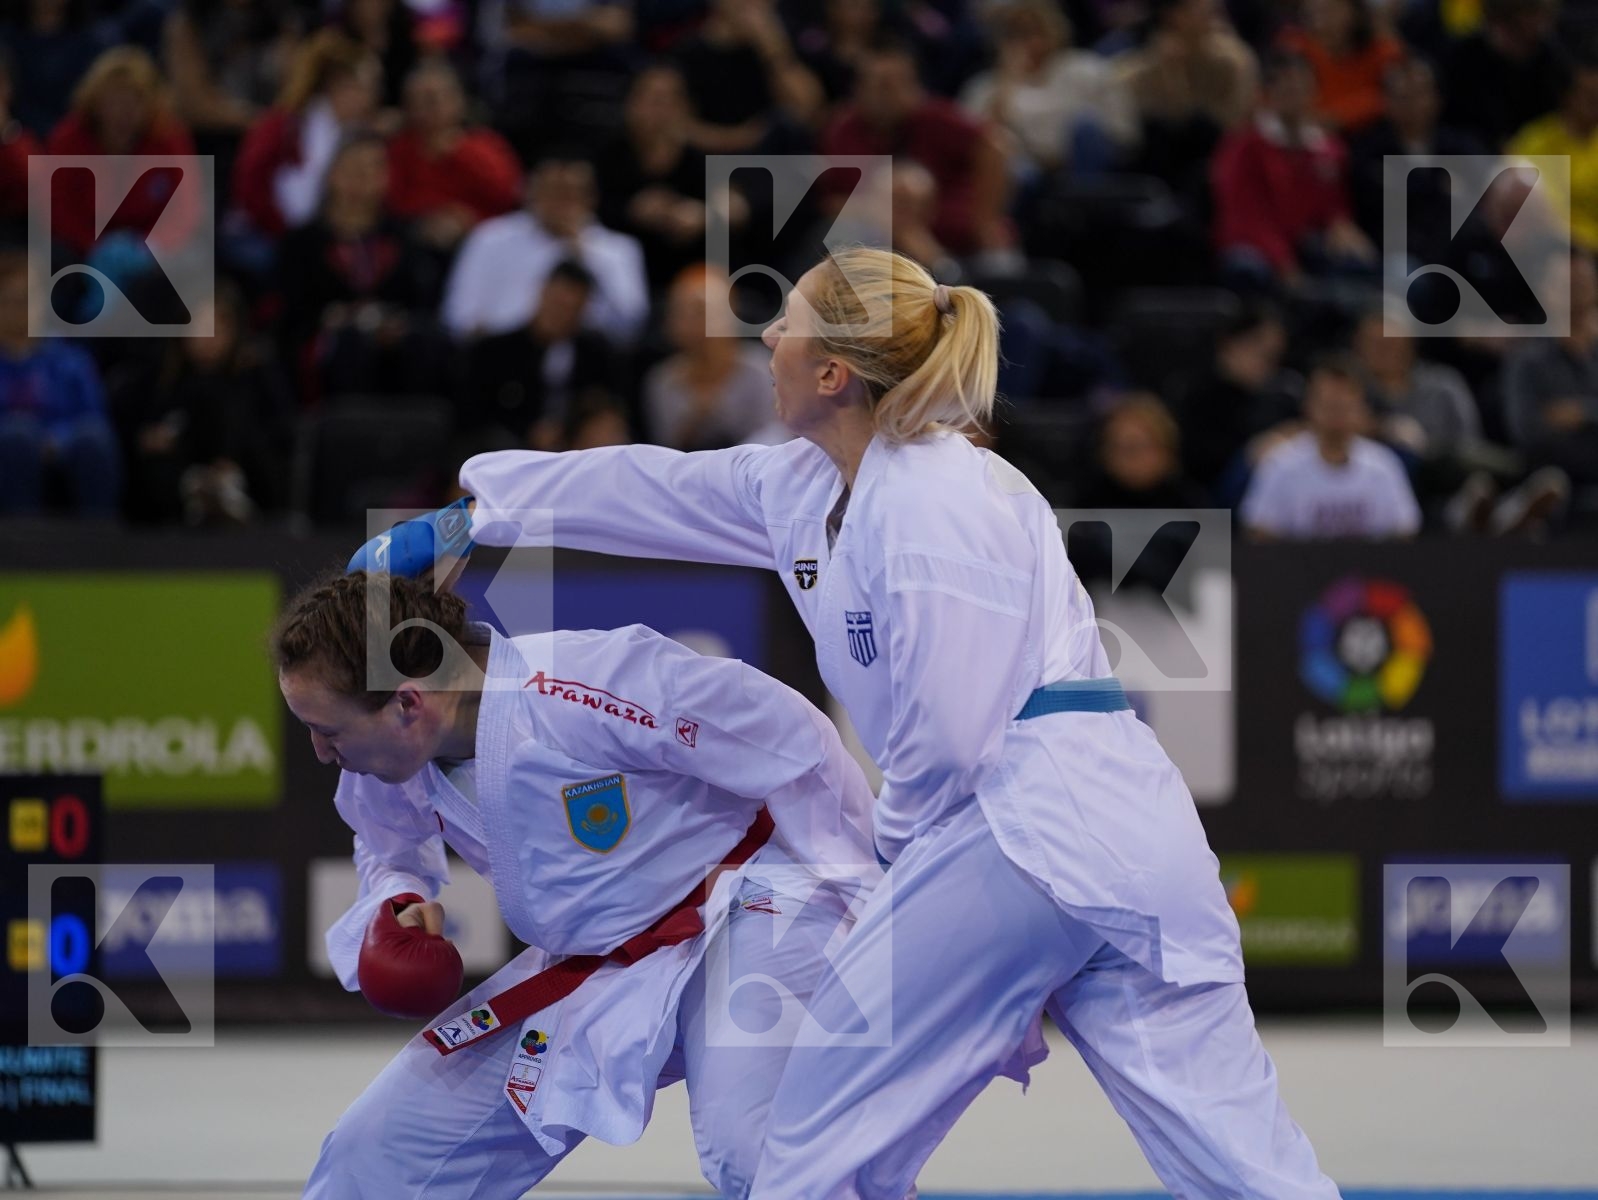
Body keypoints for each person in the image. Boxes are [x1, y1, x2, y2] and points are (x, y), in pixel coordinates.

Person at [360, 247, 1342, 1198]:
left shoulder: (933, 497)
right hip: (1124, 848)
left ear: (829, 370)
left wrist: (892, 883)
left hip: (1018, 825)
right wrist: (475, 515)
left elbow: (952, 741)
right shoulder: (802, 485)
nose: (767, 336)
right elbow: (653, 486)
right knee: (1241, 1165)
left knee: (806, 1156)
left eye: (782, 321)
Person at [274, 570, 881, 1199]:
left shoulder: (585, 684)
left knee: (753, 1147)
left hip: (747, 909)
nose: (320, 752)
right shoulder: (384, 759)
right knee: (373, 1160)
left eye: (329, 730)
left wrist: (862, 900)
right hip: (595, 967)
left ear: (407, 703)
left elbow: (796, 741)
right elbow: (385, 844)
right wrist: (396, 898)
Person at [1241, 353, 1422, 540]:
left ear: (1361, 408)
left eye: (1344, 406)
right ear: (1309, 406)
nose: (1336, 414)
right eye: (1329, 405)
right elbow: (1259, 533)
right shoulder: (1280, 465)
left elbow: (1404, 533)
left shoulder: (1383, 466)